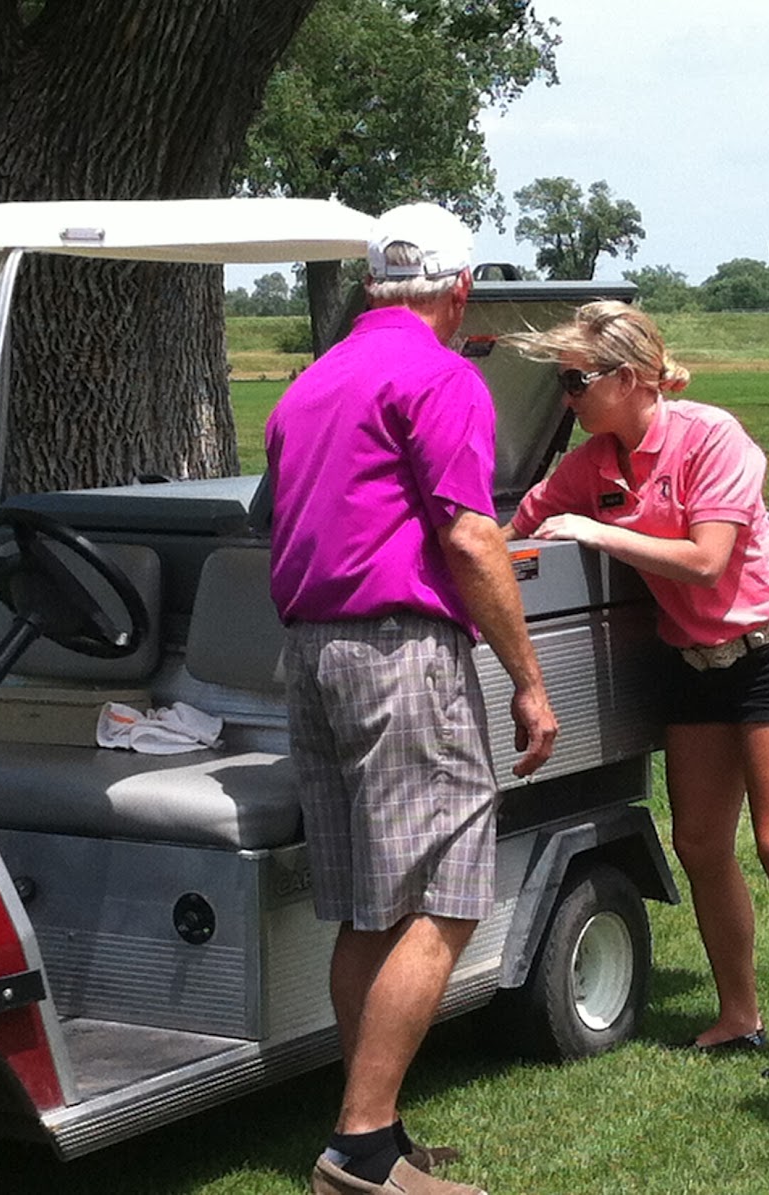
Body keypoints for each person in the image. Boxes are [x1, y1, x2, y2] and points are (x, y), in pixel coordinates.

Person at [266, 201, 559, 1195]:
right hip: (400, 654)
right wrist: (527, 679)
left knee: (367, 903)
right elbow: (472, 537)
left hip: (311, 653)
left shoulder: (309, 383)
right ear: (460, 288)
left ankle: (372, 1131)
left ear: (373, 282)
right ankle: (358, 1148)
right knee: (446, 895)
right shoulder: (441, 377)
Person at [503, 301, 769, 1079]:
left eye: (575, 380)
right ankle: (739, 1013)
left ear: (627, 377)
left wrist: (596, 531)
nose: (566, 398)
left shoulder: (711, 436)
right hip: (691, 663)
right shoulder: (592, 463)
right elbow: (521, 529)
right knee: (698, 843)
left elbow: (706, 560)